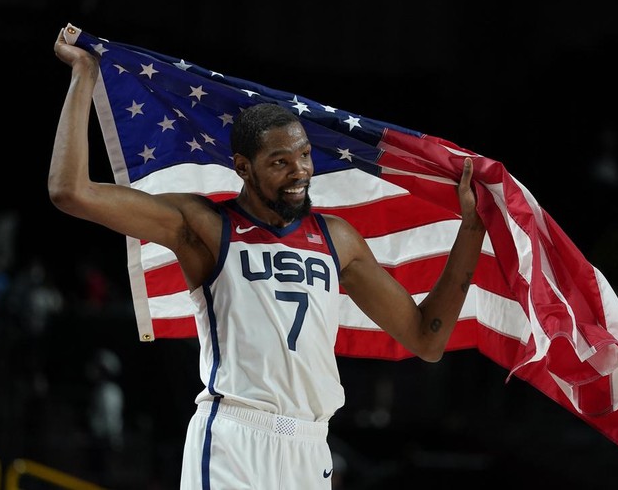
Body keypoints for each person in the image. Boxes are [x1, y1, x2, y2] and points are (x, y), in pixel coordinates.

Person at [51, 27, 486, 489]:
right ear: (243, 167)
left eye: (303, 155)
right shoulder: (204, 226)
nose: (299, 170)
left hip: (310, 447)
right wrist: (84, 75)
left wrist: (472, 230)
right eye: (280, 161)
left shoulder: (337, 238)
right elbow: (70, 192)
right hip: (234, 437)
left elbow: (426, 339)